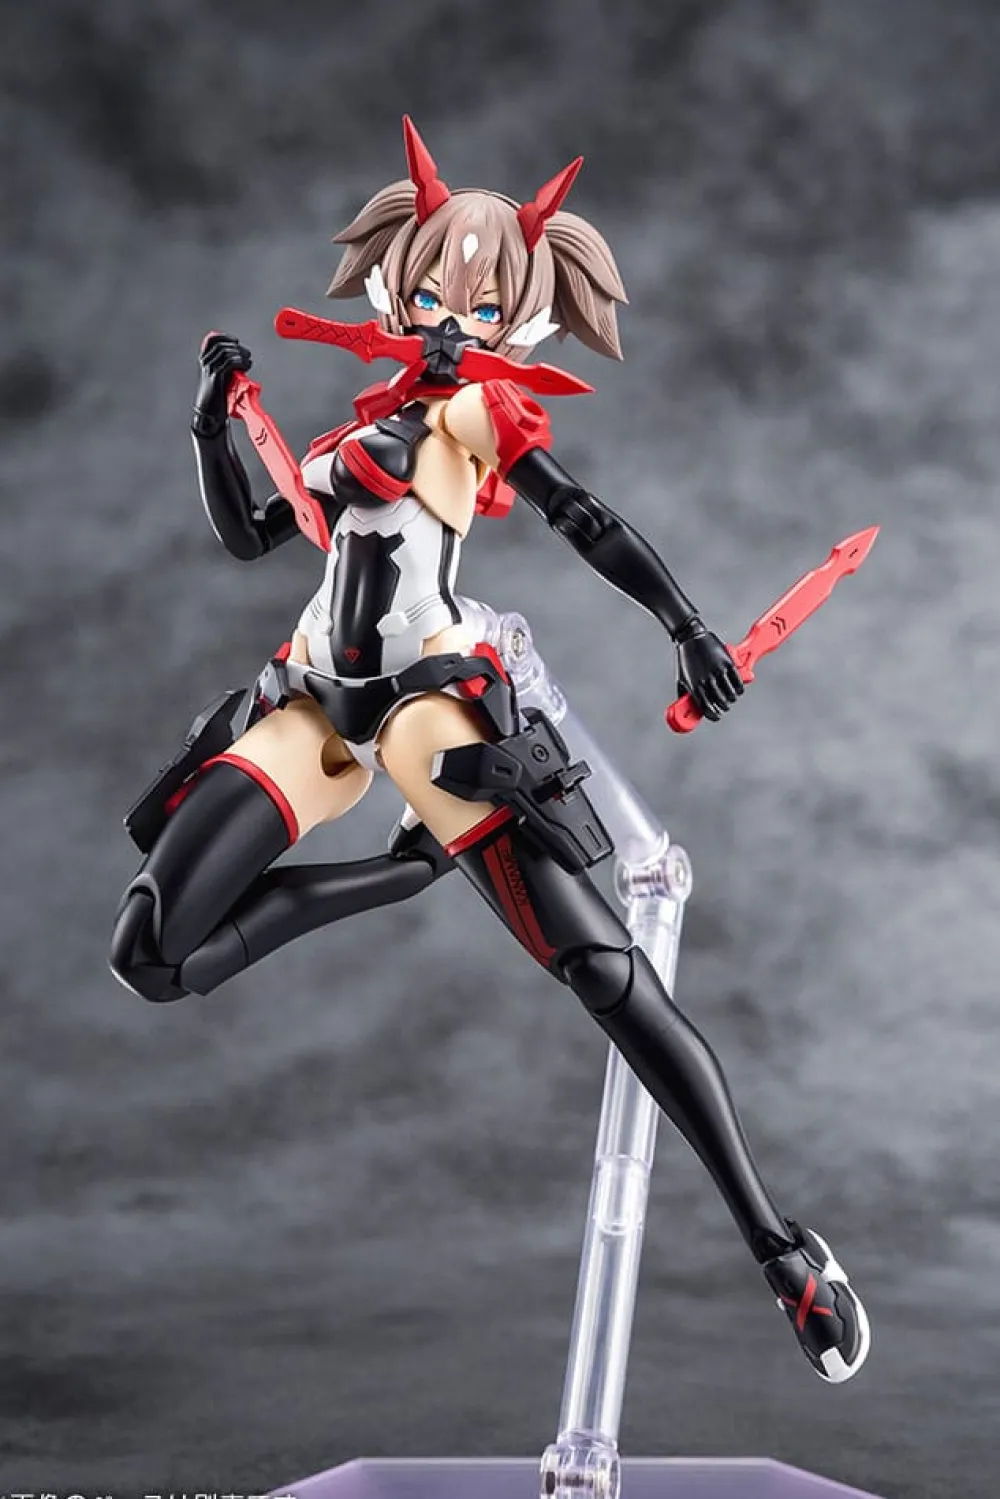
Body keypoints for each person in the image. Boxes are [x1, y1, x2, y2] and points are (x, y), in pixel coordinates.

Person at [110, 116, 870, 1384]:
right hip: (311, 698)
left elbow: (585, 518)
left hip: (426, 705)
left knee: (607, 973)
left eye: (478, 304)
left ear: (519, 320)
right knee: (150, 952)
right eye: (430, 295)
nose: (447, 319)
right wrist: (208, 425)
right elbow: (252, 535)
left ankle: (781, 1247)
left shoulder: (474, 407)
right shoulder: (353, 426)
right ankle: (404, 875)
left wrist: (687, 627)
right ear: (395, 290)